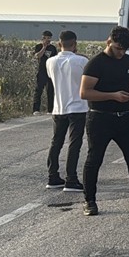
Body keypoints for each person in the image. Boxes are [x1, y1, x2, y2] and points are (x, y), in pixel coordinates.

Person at [78, 26, 129, 216]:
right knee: (94, 159)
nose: (121, 53)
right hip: (100, 117)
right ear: (109, 42)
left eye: (124, 49)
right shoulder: (96, 63)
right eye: (117, 49)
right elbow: (84, 92)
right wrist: (112, 95)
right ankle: (89, 200)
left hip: (125, 118)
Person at [45, 30, 87, 191]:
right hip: (77, 106)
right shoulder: (81, 61)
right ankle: (71, 178)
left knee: (56, 142)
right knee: (74, 143)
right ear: (75, 44)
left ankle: (53, 176)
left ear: (59, 43)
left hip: (58, 106)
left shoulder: (51, 62)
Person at [32, 30, 58, 115]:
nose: (48, 40)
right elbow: (37, 56)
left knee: (50, 90)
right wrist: (44, 47)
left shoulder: (53, 48)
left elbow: (56, 59)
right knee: (39, 90)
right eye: (46, 38)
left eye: (49, 38)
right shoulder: (38, 46)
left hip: (50, 72)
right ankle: (36, 109)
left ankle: (50, 110)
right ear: (43, 38)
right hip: (42, 71)